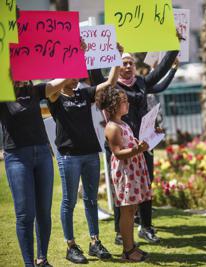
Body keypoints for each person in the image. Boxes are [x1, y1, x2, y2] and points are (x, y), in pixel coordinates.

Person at [92, 50, 179, 244]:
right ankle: (120, 232)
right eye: (124, 62)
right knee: (121, 188)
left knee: (146, 184)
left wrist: (175, 46)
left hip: (143, 143)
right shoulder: (110, 84)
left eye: (131, 62)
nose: (128, 66)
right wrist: (99, 52)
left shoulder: (141, 82)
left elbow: (161, 70)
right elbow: (95, 75)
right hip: (119, 143)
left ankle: (146, 227)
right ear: (116, 64)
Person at [47, 44, 122, 263]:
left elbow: (110, 83)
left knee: (91, 199)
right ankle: (70, 245)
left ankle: (94, 242)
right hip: (68, 156)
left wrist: (116, 57)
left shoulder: (83, 92)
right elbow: (57, 84)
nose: (78, 74)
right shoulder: (53, 95)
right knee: (69, 201)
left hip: (90, 154)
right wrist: (77, 53)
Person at [0, 78, 70, 267]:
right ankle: (28, 264)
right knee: (25, 215)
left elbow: (64, 81)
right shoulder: (3, 93)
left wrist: (76, 53)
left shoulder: (36, 90)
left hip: (43, 155)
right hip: (17, 157)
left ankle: (42, 259)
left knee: (43, 212)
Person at [97, 87, 151, 262]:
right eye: (124, 101)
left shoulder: (123, 123)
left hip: (133, 169)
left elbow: (130, 144)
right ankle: (127, 250)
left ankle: (132, 246)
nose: (127, 103)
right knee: (126, 211)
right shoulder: (112, 127)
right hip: (125, 173)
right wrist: (137, 149)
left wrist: (142, 143)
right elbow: (118, 153)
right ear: (114, 105)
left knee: (132, 208)